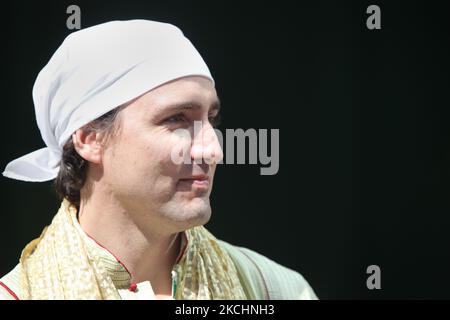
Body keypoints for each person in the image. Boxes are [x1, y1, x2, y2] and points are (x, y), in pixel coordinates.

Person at [0, 19, 317, 300]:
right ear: (89, 139)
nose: (213, 150)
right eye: (177, 119)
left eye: (212, 120)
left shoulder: (274, 290)